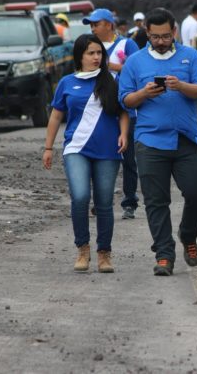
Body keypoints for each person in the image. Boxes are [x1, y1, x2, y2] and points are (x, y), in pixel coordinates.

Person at [119, 7, 197, 276]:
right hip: (149, 140)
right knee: (156, 201)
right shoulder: (135, 62)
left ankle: (188, 234)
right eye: (155, 36)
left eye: (165, 36)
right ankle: (164, 254)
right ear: (147, 33)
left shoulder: (190, 56)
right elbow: (125, 100)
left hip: (185, 139)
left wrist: (181, 86)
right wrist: (144, 93)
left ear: (174, 32)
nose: (160, 41)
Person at [43, 34, 129, 273]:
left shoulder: (112, 81)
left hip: (108, 150)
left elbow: (123, 112)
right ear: (79, 56)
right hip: (76, 148)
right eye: (91, 53)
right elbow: (56, 116)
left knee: (103, 202)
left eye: (99, 53)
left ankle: (104, 254)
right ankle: (82, 249)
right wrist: (48, 147)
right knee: (80, 197)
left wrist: (124, 134)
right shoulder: (67, 83)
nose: (96, 57)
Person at [84, 8, 140, 219]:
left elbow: (137, 70)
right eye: (90, 25)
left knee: (128, 159)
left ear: (108, 24)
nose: (93, 28)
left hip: (126, 108)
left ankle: (130, 202)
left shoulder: (127, 44)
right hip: (100, 110)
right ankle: (101, 202)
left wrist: (110, 65)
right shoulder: (91, 46)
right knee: (102, 157)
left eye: (95, 24)